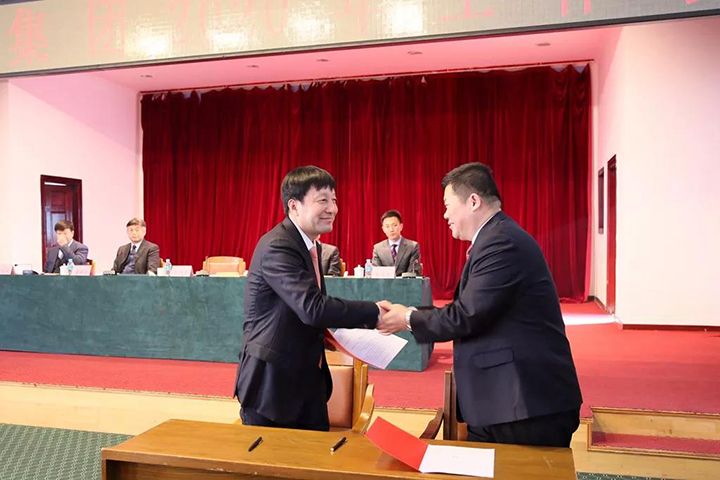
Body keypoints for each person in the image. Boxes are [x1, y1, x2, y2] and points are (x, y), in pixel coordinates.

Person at [377, 162, 582, 447]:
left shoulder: (501, 242)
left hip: (524, 403)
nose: (445, 215)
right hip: (504, 401)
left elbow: (467, 315)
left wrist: (407, 317)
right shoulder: (495, 237)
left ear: (473, 201)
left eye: (448, 205)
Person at [234, 166, 385, 431]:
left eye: (334, 200)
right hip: (273, 386)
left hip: (306, 379)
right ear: (294, 205)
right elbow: (312, 308)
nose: (333, 209)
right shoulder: (278, 245)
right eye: (322, 200)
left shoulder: (308, 244)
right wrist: (375, 312)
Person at [371, 210, 421, 276]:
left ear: (401, 226)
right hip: (384, 282)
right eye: (387, 226)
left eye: (394, 225)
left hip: (406, 282)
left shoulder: (412, 246)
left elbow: (413, 273)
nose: (391, 229)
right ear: (383, 229)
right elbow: (376, 273)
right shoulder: (378, 248)